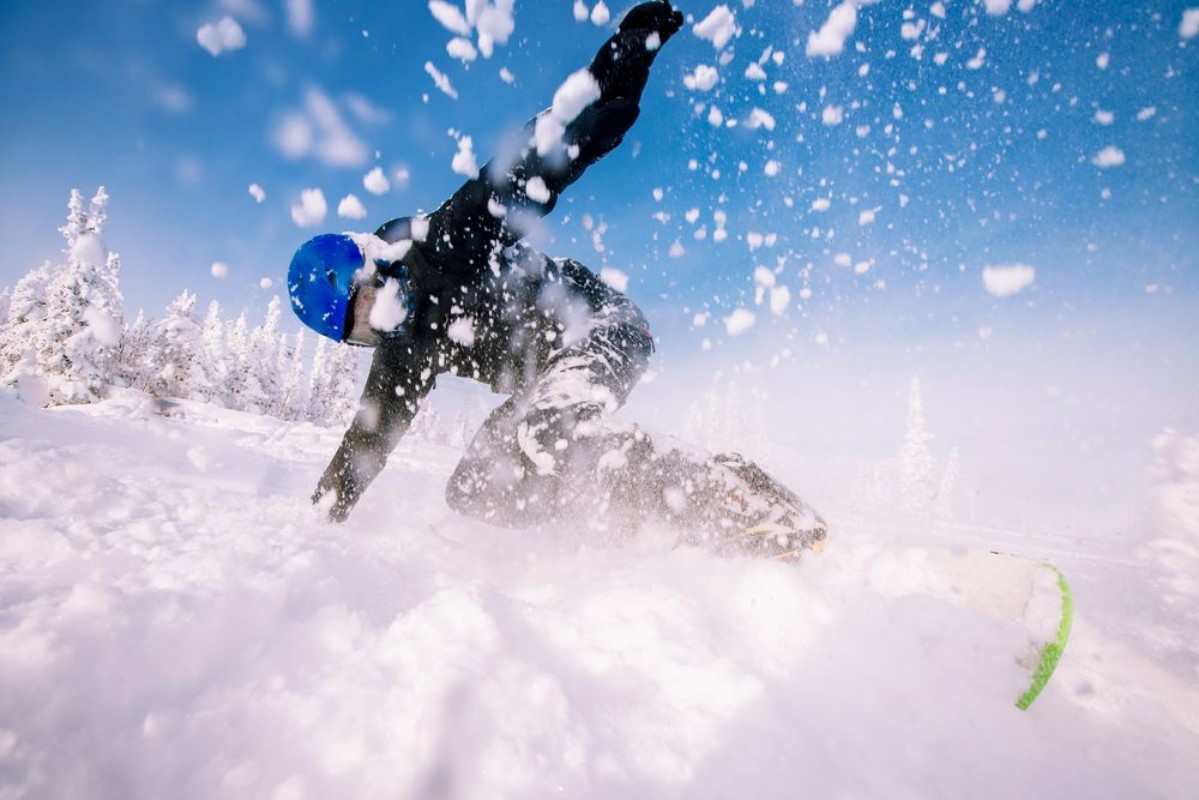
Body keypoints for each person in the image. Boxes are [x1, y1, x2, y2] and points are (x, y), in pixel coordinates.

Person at [287, 1, 827, 559]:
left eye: (368, 303)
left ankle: (727, 494)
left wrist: (620, 69)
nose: (378, 326)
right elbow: (366, 443)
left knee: (547, 431)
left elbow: (531, 164)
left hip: (602, 327)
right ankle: (623, 516)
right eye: (360, 333)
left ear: (377, 264)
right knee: (475, 489)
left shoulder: (441, 245)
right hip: (544, 376)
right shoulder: (403, 354)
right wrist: (314, 526)